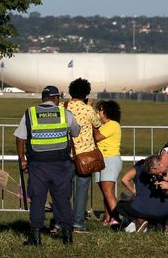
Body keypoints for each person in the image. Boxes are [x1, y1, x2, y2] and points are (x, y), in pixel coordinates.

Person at [15, 85, 81, 246]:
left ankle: (35, 236)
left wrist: (22, 159)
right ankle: (67, 235)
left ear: (43, 98)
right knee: (62, 199)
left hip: (38, 165)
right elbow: (76, 132)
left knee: (37, 199)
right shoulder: (65, 113)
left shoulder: (30, 113)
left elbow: (20, 138)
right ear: (57, 98)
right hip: (62, 165)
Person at [64, 77, 101, 233]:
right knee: (82, 190)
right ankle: (78, 222)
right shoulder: (88, 110)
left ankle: (62, 221)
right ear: (86, 93)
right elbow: (97, 125)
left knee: (64, 190)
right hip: (85, 156)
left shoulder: (62, 106)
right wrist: (89, 106)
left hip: (66, 154)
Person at [116, 159, 168, 232]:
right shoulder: (162, 169)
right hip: (165, 208)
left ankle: (141, 220)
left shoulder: (138, 168)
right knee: (167, 205)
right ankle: (166, 224)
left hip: (144, 207)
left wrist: (134, 191)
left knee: (120, 205)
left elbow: (124, 179)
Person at [93, 100, 122, 226]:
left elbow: (97, 137)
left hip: (110, 159)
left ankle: (117, 219)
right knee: (105, 192)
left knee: (108, 191)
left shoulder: (113, 125)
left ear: (106, 112)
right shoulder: (103, 125)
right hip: (101, 160)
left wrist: (93, 125)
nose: (98, 112)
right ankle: (108, 218)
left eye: (100, 110)